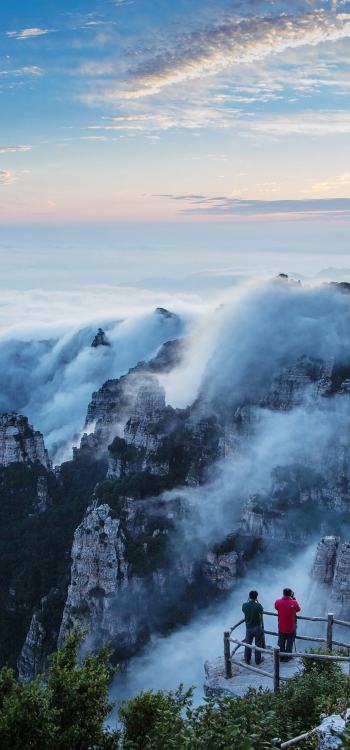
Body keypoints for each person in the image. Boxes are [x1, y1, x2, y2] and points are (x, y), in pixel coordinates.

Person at [274, 588, 301, 660]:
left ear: (283, 593)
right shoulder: (294, 602)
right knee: (289, 642)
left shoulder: (278, 602)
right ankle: (288, 657)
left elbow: (276, 607)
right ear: (290, 594)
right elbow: (298, 609)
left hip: (281, 625)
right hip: (291, 626)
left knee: (281, 641)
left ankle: (280, 656)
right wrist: (293, 599)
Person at [242, 590, 264, 665]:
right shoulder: (258, 605)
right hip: (257, 627)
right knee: (258, 644)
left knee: (248, 643)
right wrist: (257, 602)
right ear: (256, 597)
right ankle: (258, 660)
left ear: (249, 596)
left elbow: (243, 610)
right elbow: (261, 611)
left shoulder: (244, 605)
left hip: (248, 627)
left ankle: (247, 659)